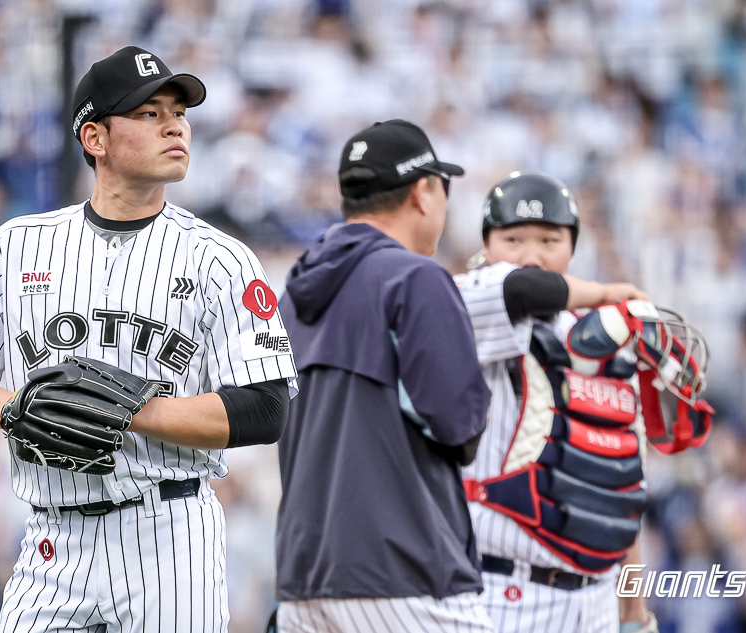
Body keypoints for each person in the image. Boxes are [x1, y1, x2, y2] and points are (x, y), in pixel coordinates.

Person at [0, 45, 298, 633]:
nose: (175, 124)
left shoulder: (221, 258)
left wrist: (130, 413)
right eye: (149, 114)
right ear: (94, 138)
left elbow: (265, 407)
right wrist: (14, 409)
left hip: (168, 535)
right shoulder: (16, 245)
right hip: (51, 537)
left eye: (179, 112)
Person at [455, 171, 711, 633]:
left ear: (572, 246)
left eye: (550, 239)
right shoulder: (466, 306)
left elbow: (622, 489)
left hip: (592, 605)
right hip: (497, 595)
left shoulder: (607, 340)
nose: (531, 254)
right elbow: (519, 289)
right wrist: (612, 294)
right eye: (512, 238)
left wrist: (633, 613)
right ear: (486, 247)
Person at [274, 119, 494, 632]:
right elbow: (460, 426)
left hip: (304, 583)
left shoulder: (294, 293)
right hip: (405, 573)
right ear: (423, 192)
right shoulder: (416, 278)